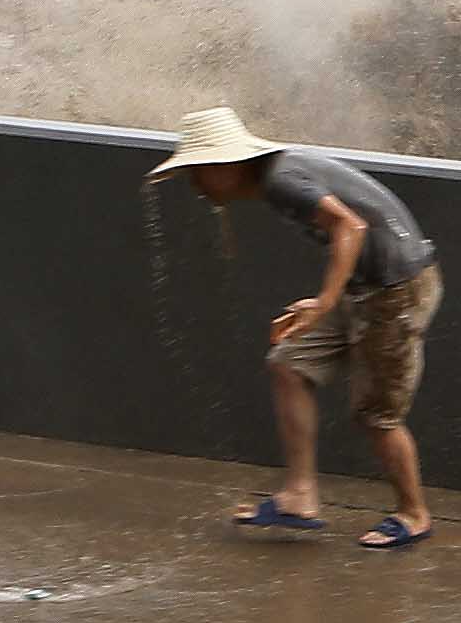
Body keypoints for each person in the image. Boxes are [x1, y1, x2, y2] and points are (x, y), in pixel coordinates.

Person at [148, 106, 444, 551]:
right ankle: (299, 496)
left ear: (226, 164)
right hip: (365, 286)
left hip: (396, 291)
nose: (196, 185)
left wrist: (325, 301)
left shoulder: (281, 180)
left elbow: (350, 225)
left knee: (377, 415)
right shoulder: (278, 176)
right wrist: (328, 299)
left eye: (198, 172)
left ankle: (414, 513)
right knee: (289, 364)